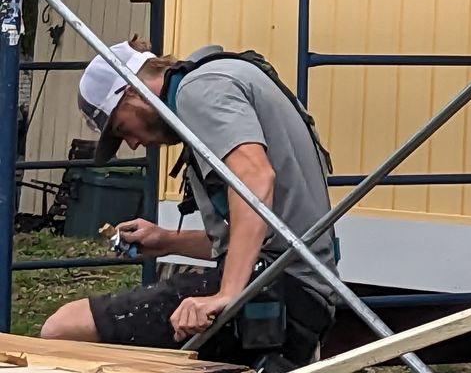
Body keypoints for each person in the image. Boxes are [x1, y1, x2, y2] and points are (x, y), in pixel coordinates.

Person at [40, 41, 338, 371]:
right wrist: (168, 240)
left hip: (277, 292)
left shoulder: (198, 90)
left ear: (132, 91)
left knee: (64, 328)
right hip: (296, 291)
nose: (134, 142)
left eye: (122, 128)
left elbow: (254, 178)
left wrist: (228, 293)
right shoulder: (221, 79)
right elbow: (264, 233)